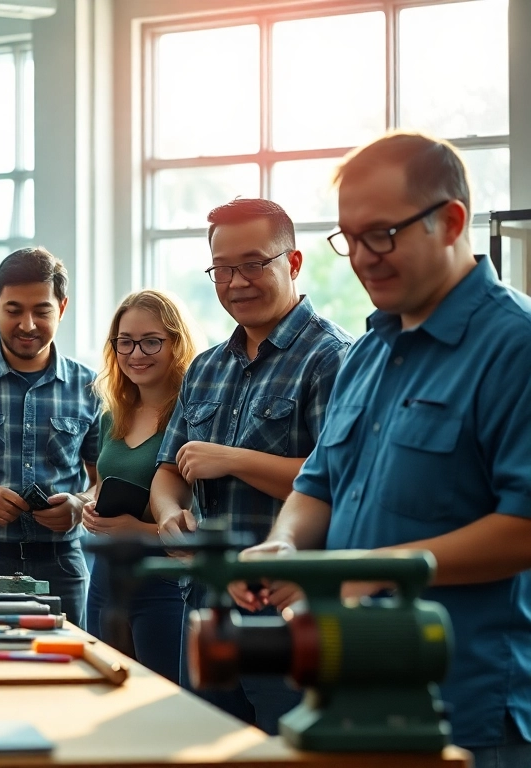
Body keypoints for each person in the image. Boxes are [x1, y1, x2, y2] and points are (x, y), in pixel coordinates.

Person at [238, 132, 531, 764]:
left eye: (383, 234)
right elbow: (317, 484)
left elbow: (524, 528)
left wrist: (372, 568)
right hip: (353, 693)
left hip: (470, 710)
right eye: (349, 238)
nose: (364, 257)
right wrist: (286, 545)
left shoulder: (516, 346)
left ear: (450, 221)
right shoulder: (369, 351)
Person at [148, 198, 351, 733]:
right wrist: (168, 515)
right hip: (205, 603)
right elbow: (169, 471)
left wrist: (232, 460)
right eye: (222, 269)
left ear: (294, 262)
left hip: (285, 611)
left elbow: (337, 480)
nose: (236, 281)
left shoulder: (331, 358)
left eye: (254, 263)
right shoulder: (206, 367)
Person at [0, 248, 101, 628]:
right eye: (14, 310)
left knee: (69, 673)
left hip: (61, 561)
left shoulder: (90, 387)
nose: (27, 324)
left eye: (41, 311)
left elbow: (102, 477)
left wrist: (81, 504)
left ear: (63, 307)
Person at [79, 289, 198, 681]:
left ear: (176, 344)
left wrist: (138, 531)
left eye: (151, 342)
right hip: (108, 577)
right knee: (103, 691)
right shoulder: (113, 415)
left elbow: (202, 516)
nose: (136, 354)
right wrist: (90, 506)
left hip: (164, 581)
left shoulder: (195, 416)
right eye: (125, 342)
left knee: (166, 703)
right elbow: (99, 486)